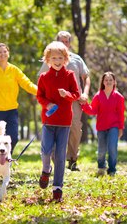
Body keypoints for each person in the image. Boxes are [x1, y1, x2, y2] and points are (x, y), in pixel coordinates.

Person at [38, 31, 90, 171]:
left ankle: (73, 159)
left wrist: (85, 93)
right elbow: (41, 79)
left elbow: (86, 78)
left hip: (74, 100)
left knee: (75, 129)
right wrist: (46, 103)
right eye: (62, 41)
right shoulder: (51, 57)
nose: (65, 43)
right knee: (55, 129)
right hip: (54, 103)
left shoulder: (77, 59)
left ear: (70, 43)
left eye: (67, 41)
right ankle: (57, 161)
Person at [37, 41, 80, 202]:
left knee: (61, 155)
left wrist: (67, 95)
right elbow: (39, 95)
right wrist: (47, 104)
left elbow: (76, 94)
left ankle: (57, 187)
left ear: (65, 59)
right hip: (48, 120)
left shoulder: (69, 75)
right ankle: (46, 170)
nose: (57, 60)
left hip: (64, 122)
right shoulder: (43, 77)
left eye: (60, 57)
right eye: (53, 57)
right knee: (46, 151)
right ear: (48, 59)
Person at [81, 72, 125, 176]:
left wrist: (120, 128)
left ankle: (112, 169)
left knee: (112, 149)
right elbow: (93, 110)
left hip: (114, 127)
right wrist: (84, 104)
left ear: (114, 82)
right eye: (106, 80)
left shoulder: (119, 97)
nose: (108, 82)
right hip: (101, 127)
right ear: (103, 82)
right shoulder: (98, 96)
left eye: (111, 80)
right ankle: (101, 167)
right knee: (101, 150)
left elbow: (121, 114)